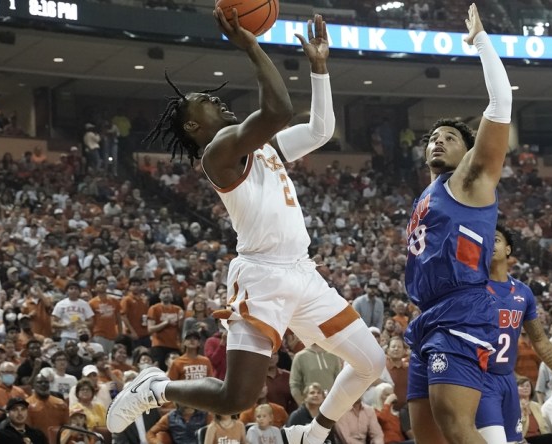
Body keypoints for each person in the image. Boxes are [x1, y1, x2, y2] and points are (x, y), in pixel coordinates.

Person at [106, 12, 384, 444]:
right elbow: (279, 109)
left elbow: (320, 129)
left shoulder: (263, 146)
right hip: (263, 276)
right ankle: (155, 388)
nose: (216, 101)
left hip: (303, 274)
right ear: (194, 126)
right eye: (205, 102)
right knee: (237, 397)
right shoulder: (218, 154)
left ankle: (313, 433)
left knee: (371, 362)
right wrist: (252, 45)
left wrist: (320, 68)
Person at [403, 5, 520, 443]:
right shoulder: (426, 196)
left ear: (468, 152)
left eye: (451, 138)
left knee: (457, 426)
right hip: (427, 316)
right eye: (434, 137)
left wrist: (480, 42)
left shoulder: (471, 179)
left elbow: (500, 100)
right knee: (428, 436)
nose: (439, 140)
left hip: (462, 310)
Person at [477, 227, 552, 442]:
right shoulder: (473, 287)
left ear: (508, 249)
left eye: (496, 239)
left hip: (508, 380)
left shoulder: (523, 292)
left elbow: (540, 341)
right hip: (481, 379)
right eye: (485, 240)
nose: (489, 244)